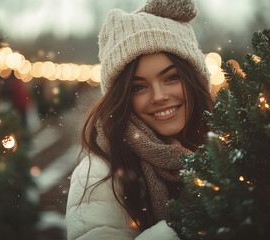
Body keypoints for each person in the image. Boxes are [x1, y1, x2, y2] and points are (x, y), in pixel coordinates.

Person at [66, 0, 214, 239]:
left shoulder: (228, 149)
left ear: (194, 79)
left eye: (171, 78)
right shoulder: (99, 172)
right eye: (139, 87)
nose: (159, 96)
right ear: (122, 97)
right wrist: (182, 227)